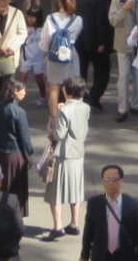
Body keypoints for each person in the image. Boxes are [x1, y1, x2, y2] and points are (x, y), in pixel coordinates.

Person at [43, 77, 91, 239]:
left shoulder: (63, 111)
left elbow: (58, 134)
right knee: (75, 190)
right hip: (78, 153)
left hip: (63, 154)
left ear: (68, 91)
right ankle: (74, 223)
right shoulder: (85, 107)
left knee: (55, 192)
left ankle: (57, 227)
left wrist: (52, 126)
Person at [80, 164, 138, 261]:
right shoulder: (94, 204)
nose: (110, 183)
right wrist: (84, 256)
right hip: (101, 255)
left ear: (121, 181)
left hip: (125, 256)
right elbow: (88, 232)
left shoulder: (132, 205)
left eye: (114, 179)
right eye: (106, 179)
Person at [0, 79, 34, 217]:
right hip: (13, 154)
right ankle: (12, 214)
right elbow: (25, 137)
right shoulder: (19, 112)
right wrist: (29, 155)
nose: (25, 92)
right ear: (15, 91)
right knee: (14, 186)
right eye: (23, 90)